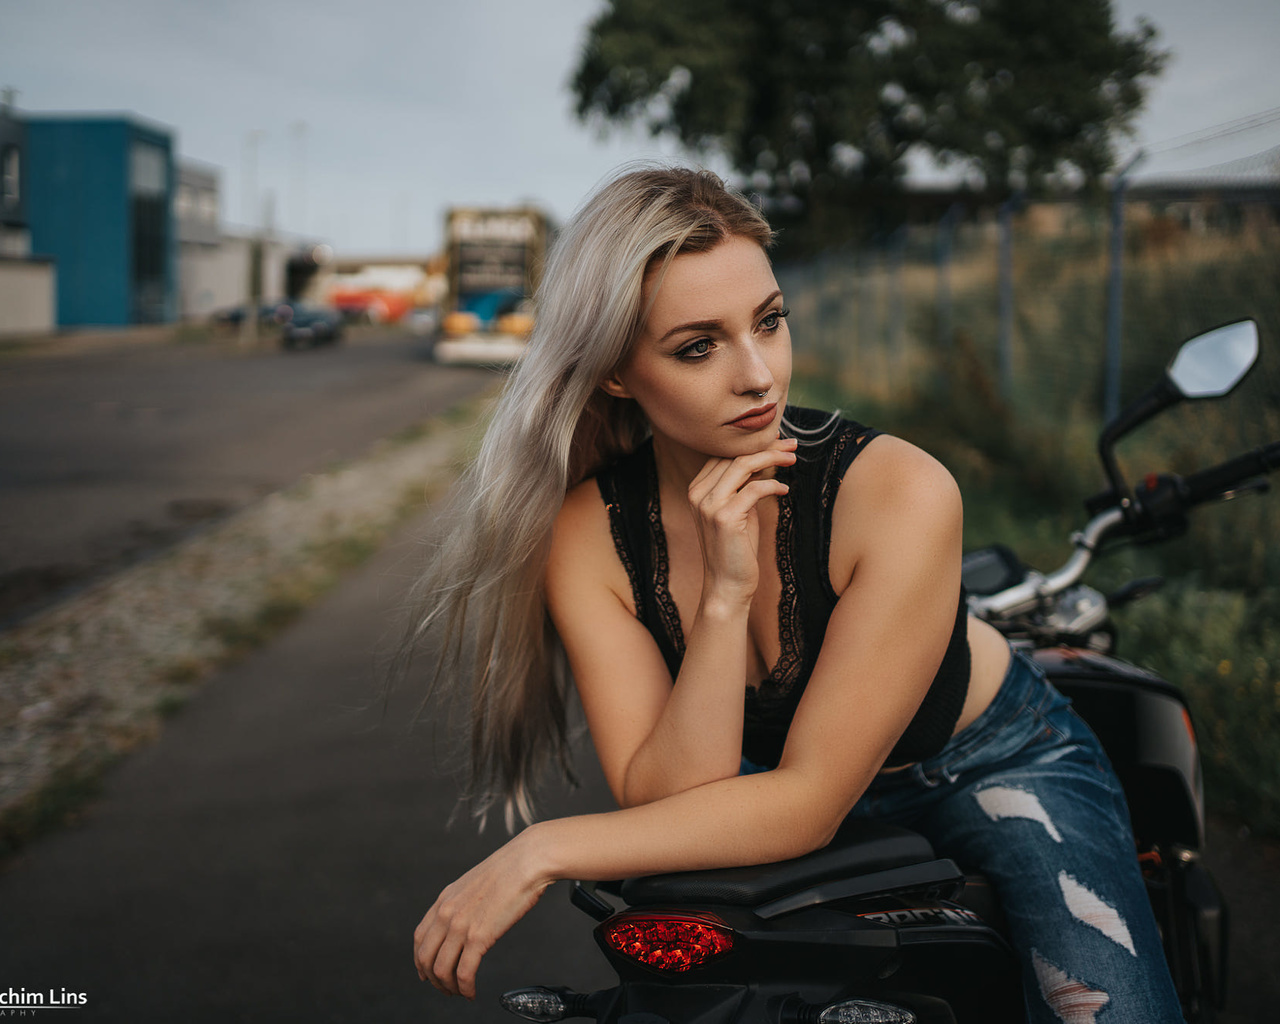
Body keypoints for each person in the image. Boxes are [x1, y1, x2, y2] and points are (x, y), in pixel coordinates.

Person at [406, 166, 1183, 1022]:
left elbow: (811, 803)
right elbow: (665, 795)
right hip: (763, 783)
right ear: (617, 373)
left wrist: (542, 850)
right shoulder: (588, 535)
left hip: (989, 761)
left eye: (769, 322)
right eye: (698, 346)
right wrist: (724, 598)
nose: (758, 375)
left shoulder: (895, 493)